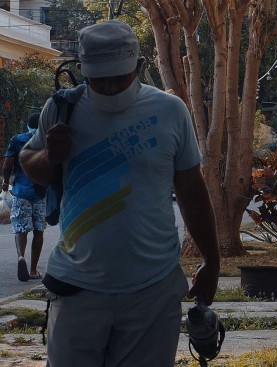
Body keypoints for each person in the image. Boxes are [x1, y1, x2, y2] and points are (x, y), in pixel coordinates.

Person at [19, 20, 220, 366]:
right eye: (99, 79)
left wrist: (212, 261)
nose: (110, 87)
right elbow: (31, 162)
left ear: (138, 68)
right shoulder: (61, 108)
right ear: (82, 71)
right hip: (77, 287)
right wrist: (50, 155)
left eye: (119, 77)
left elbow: (191, 189)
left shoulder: (170, 111)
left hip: (153, 290)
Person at [2, 112, 47, 282]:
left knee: (21, 228)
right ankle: (34, 269)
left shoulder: (17, 139)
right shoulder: (45, 140)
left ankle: (21, 257)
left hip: (21, 191)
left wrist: (6, 182)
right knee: (39, 230)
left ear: (27, 125)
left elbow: (7, 165)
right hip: (41, 192)